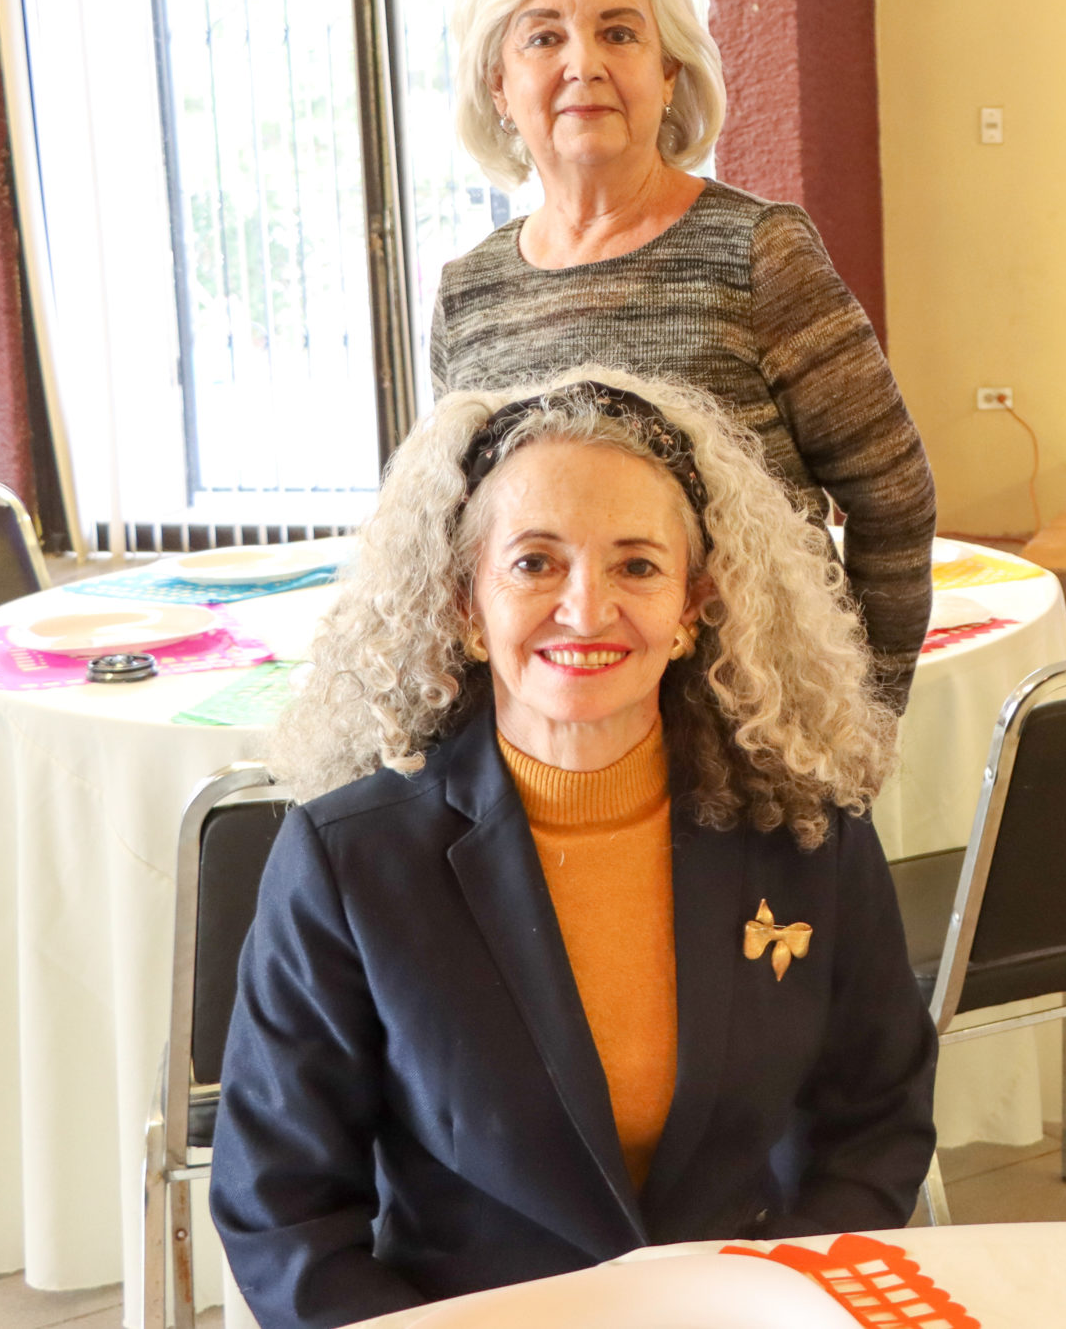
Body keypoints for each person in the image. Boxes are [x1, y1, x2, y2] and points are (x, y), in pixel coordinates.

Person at [211, 371, 936, 1328]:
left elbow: (873, 1124)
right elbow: (282, 1213)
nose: (586, 609)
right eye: (535, 563)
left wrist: (783, 1305)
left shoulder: (804, 830)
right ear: (467, 604)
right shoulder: (347, 863)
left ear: (694, 605)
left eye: (637, 564)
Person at [429, 0, 935, 707]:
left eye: (619, 33)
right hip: (544, 752)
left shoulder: (759, 251)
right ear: (499, 82)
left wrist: (863, 714)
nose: (583, 63)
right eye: (544, 36)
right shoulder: (469, 292)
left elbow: (896, 499)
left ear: (669, 72)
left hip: (751, 752)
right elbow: (464, 546)